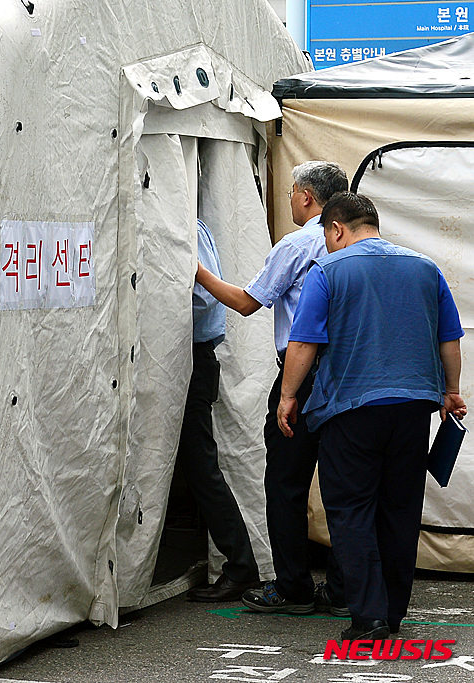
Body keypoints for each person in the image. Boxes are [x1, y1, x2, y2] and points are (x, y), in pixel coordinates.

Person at [278, 192, 467, 641]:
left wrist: (288, 396)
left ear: (336, 228)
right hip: (413, 409)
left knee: (351, 511)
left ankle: (369, 619)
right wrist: (451, 390)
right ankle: (394, 613)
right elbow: (449, 339)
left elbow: (304, 343)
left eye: (326, 236)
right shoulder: (425, 268)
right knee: (400, 510)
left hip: (350, 409)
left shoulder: (328, 271)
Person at [196, 161, 349, 615]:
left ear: (305, 196)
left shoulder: (299, 242)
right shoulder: (357, 241)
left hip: (300, 375)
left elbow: (246, 302)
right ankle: (342, 591)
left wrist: (196, 270)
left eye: (291, 193)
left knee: (286, 481)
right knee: (345, 484)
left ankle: (292, 588)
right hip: (347, 374)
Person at [184, 219, 260, 603]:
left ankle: (241, 566)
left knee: (201, 464)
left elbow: (205, 297)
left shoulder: (189, 228)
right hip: (184, 356)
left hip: (191, 356)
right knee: (196, 464)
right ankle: (241, 564)